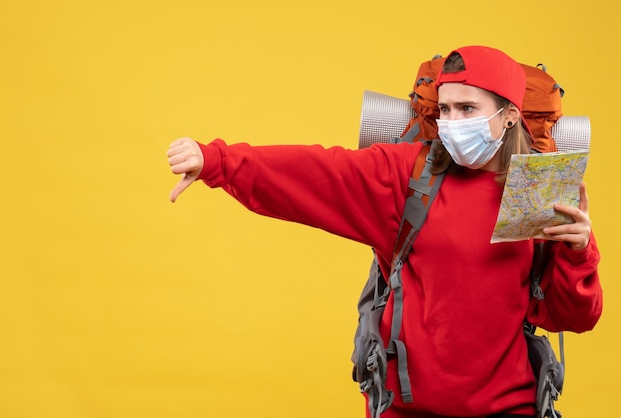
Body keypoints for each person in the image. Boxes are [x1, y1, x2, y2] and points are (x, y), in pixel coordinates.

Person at [166, 46, 603, 418]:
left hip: (510, 408)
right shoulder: (410, 173)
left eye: (468, 109)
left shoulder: (539, 186)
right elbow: (315, 172)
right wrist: (215, 162)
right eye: (446, 109)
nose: (452, 122)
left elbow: (571, 317)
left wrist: (579, 250)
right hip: (405, 408)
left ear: (509, 116)